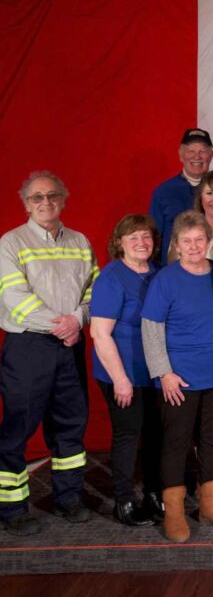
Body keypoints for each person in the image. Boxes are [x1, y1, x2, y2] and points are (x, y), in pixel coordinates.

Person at [0, 171, 98, 536]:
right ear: (26, 203)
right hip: (29, 346)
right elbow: (14, 298)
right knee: (17, 429)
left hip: (69, 346)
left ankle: (68, 499)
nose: (45, 202)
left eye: (52, 196)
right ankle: (12, 508)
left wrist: (77, 320)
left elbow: (94, 290)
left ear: (64, 199)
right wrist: (65, 325)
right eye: (37, 197)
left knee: (70, 425)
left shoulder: (80, 241)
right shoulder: (10, 243)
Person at [141, 210, 213, 542]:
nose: (195, 246)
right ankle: (175, 512)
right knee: (176, 444)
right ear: (177, 246)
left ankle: (210, 504)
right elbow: (151, 329)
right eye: (187, 241)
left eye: (200, 239)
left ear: (208, 241)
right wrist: (164, 373)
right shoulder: (165, 280)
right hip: (178, 380)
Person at [90, 214, 164, 527]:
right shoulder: (111, 277)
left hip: (154, 372)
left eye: (146, 236)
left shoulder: (158, 274)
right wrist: (121, 380)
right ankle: (123, 501)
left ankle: (153, 494)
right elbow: (99, 333)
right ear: (119, 242)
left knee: (155, 436)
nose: (141, 243)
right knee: (128, 435)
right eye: (133, 237)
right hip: (122, 373)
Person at [149, 128, 213, 265]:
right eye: (191, 151)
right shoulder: (163, 192)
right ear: (181, 155)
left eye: (202, 151)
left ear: (211, 155)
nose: (197, 157)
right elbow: (153, 240)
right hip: (173, 276)